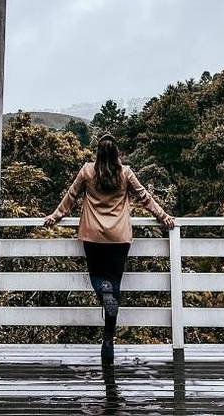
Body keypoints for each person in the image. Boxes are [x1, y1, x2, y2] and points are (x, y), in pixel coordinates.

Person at [43, 132, 175, 364]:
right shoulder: (125, 173)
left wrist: (55, 216)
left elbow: (71, 196)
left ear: (97, 153)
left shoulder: (87, 171)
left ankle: (103, 291)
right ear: (116, 154)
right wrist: (163, 216)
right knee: (115, 285)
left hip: (92, 235)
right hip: (119, 237)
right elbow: (145, 197)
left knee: (97, 277)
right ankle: (108, 341)